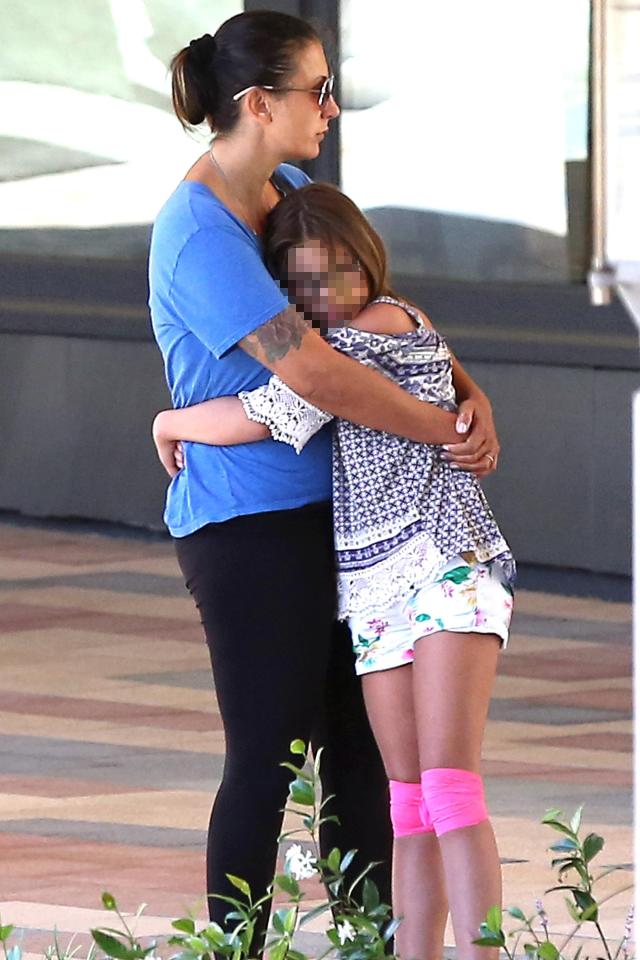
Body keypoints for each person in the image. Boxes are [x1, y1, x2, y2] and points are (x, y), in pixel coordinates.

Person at [148, 9, 500, 953]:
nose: (333, 109)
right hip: (247, 527)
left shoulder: (290, 190)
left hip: (343, 521)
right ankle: (236, 947)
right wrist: (438, 428)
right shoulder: (196, 232)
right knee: (267, 758)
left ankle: (374, 942)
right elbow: (308, 371)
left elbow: (377, 315)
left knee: (362, 762)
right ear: (260, 102)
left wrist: (469, 393)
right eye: (318, 90)